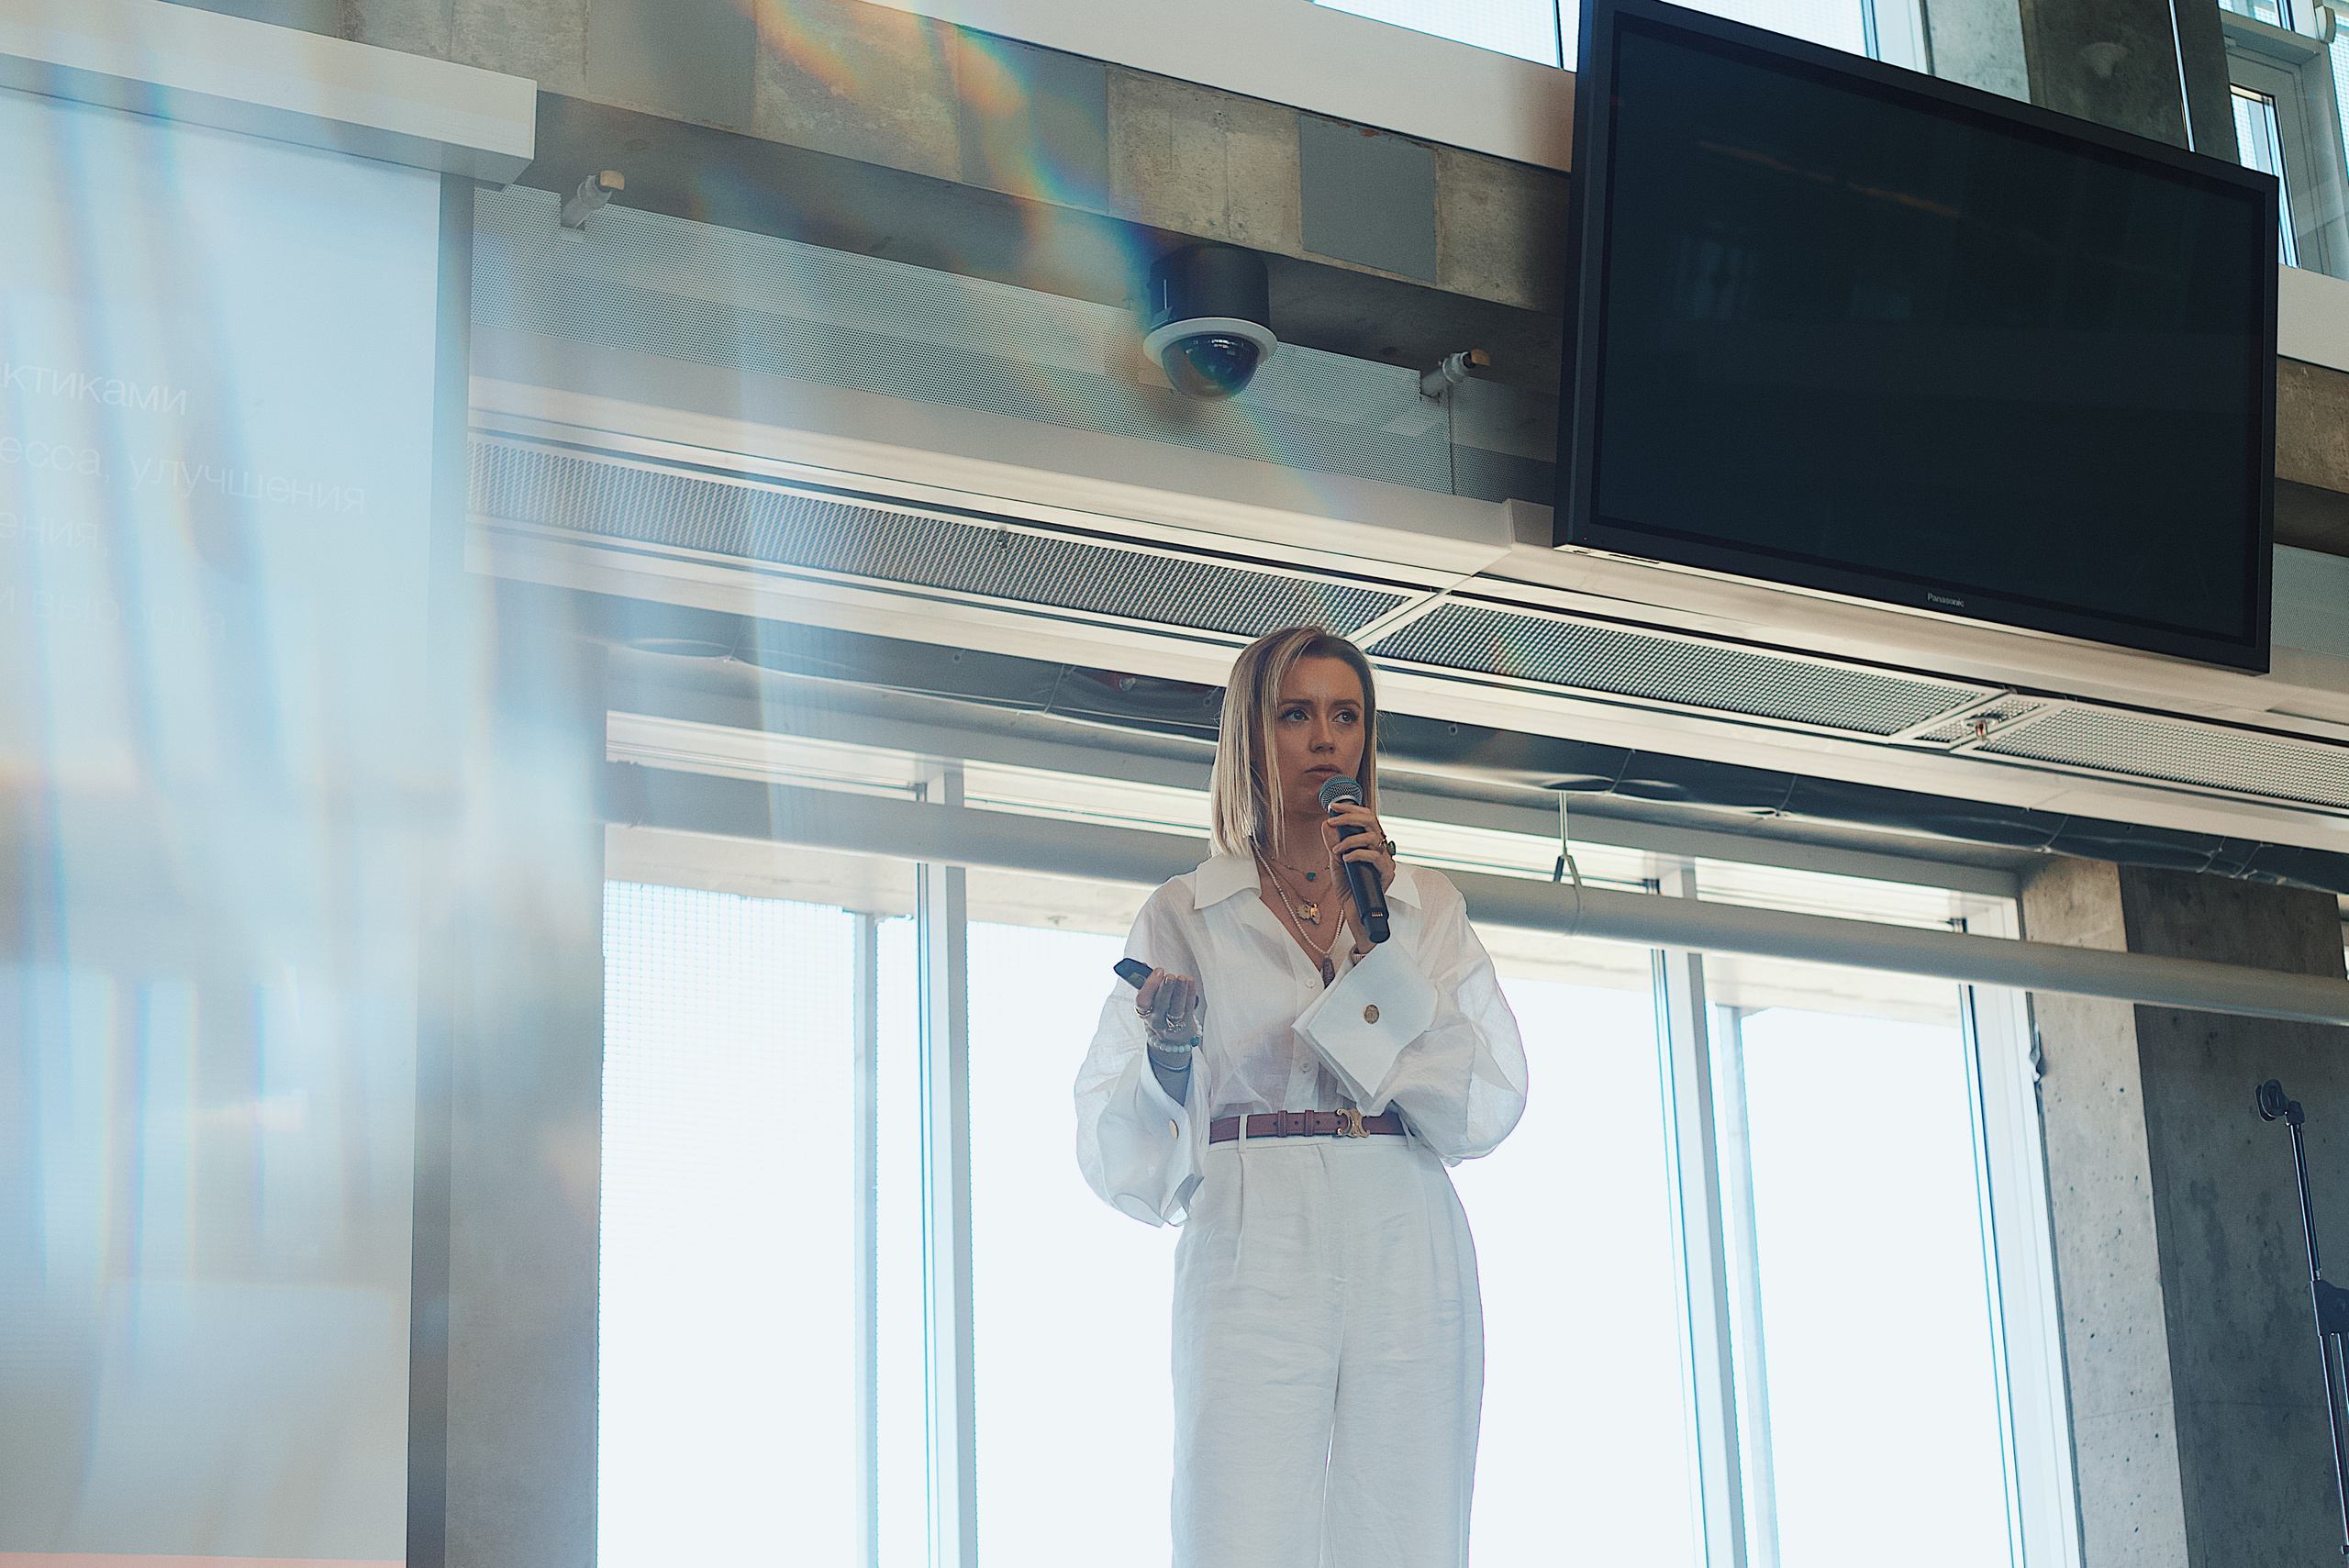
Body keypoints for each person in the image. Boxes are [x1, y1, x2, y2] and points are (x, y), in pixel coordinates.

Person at [1074, 624, 1530, 1568]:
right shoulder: (1185, 907)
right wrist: (1169, 1048)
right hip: (1253, 1214)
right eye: (1296, 713)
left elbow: (1483, 1099)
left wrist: (1381, 953)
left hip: (1402, 1210)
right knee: (1241, 1506)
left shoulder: (1420, 906)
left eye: (1345, 715)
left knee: (1407, 1505)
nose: (1325, 738)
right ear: (1252, 735)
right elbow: (1122, 1146)